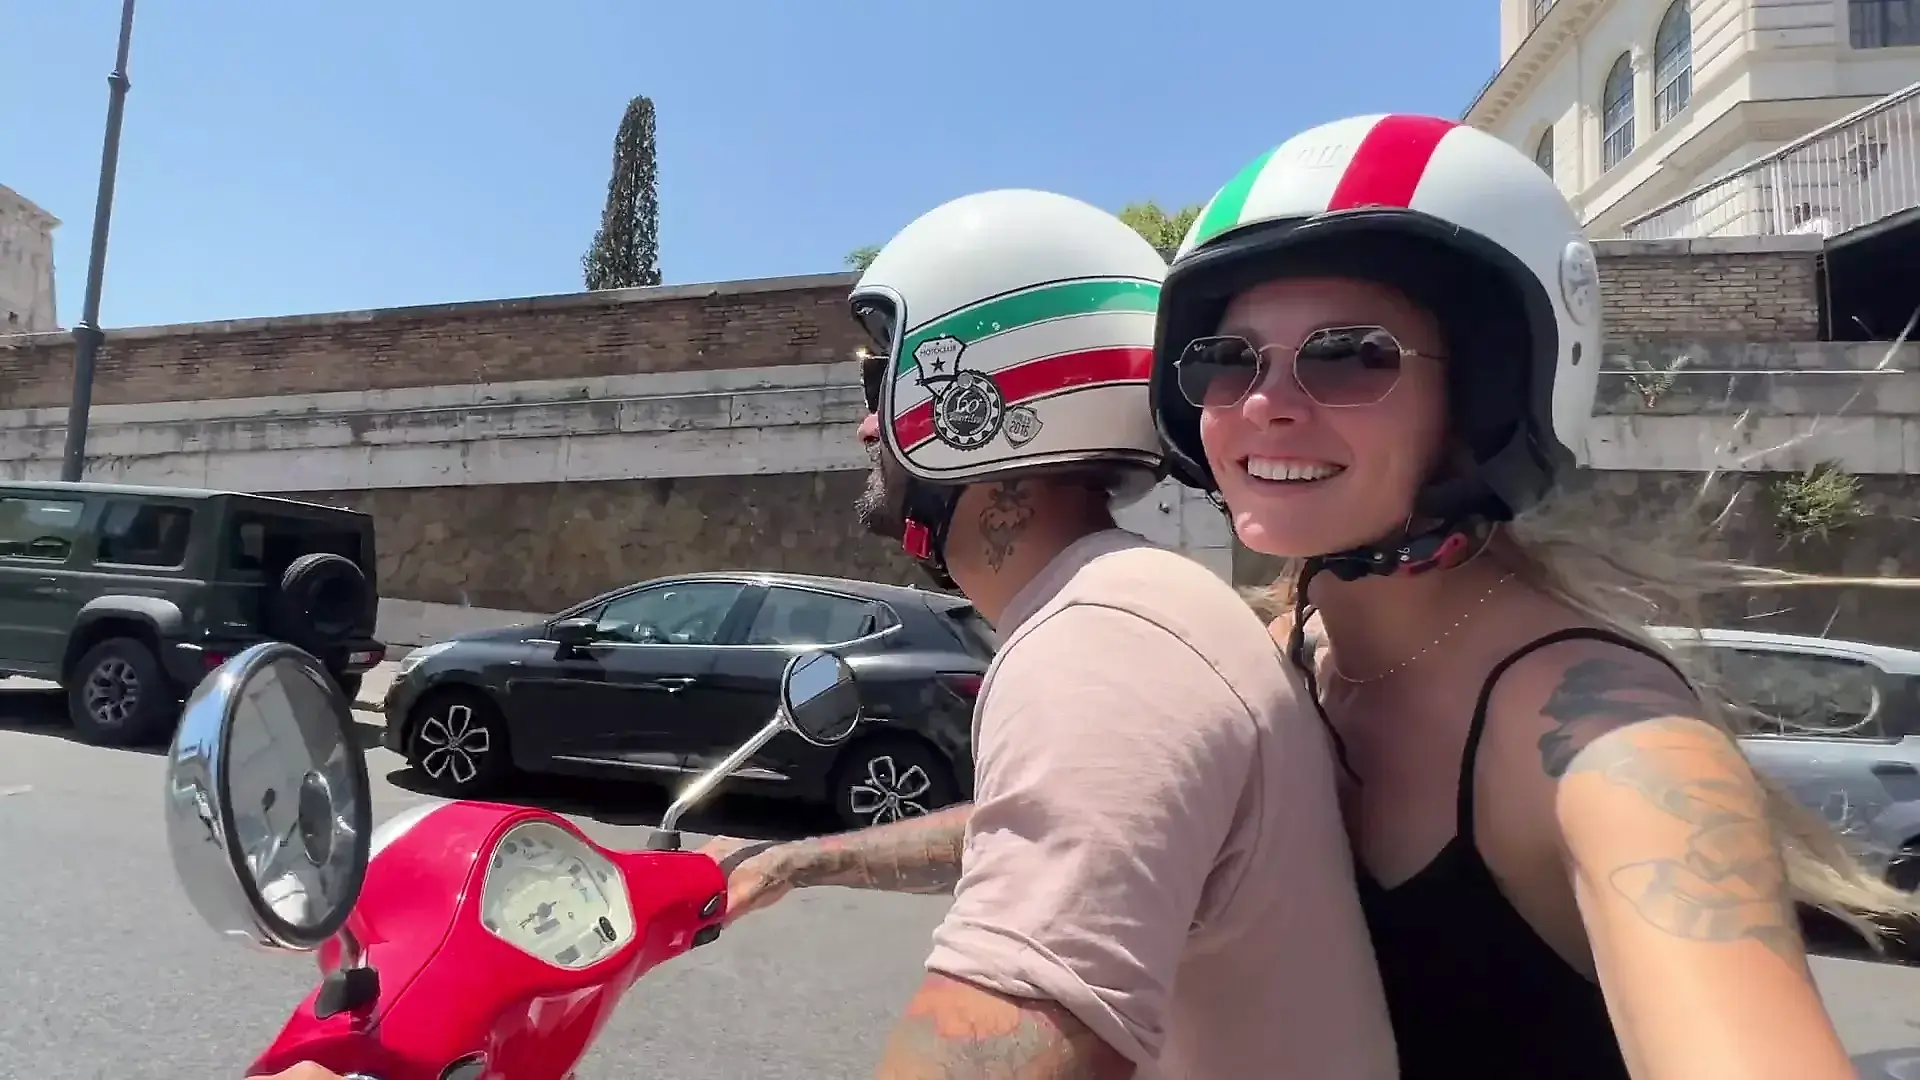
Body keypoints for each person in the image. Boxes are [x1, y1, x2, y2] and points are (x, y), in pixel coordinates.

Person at [1145, 112, 1920, 1079]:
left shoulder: (1608, 739)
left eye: (1349, 356)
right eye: (1226, 361)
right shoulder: (1284, 657)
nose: (1265, 404)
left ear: (1485, 399)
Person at [711, 188, 1396, 1079]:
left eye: (879, 382)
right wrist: (799, 863)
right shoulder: (1133, 603)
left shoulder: (1101, 650)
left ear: (981, 391)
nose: (864, 424)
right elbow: (1038, 828)